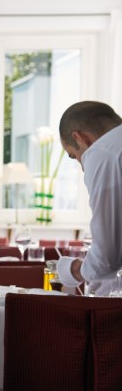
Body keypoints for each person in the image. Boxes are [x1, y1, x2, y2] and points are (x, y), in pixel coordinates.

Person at [55, 101, 122, 294]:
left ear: (80, 138)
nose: (83, 167)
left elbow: (108, 256)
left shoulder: (101, 152)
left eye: (74, 156)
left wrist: (74, 269)